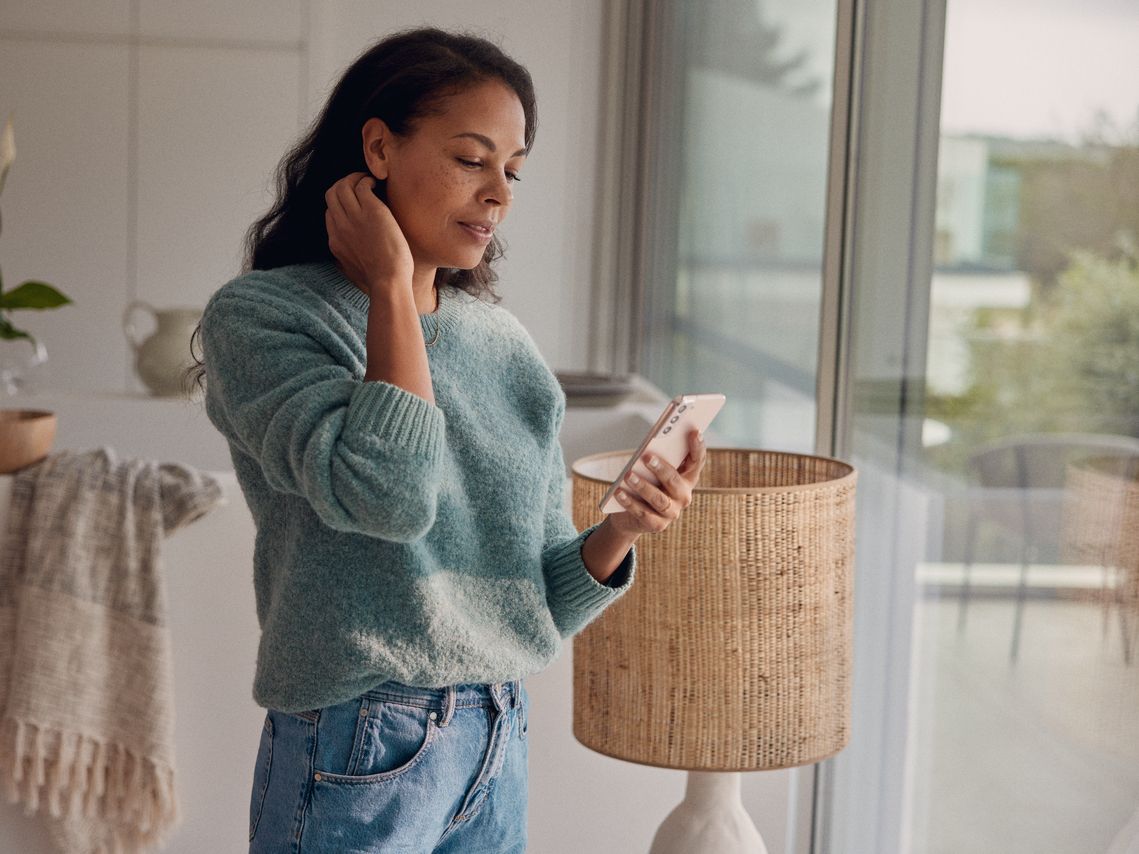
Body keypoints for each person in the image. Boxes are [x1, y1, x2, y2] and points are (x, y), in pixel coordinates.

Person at [189, 26, 707, 854]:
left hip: (494, 731)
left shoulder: (502, 344)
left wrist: (620, 531)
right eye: (471, 159)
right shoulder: (263, 318)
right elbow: (385, 498)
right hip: (358, 736)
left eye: (513, 169)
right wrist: (392, 286)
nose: (498, 192)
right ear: (378, 148)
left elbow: (532, 603)